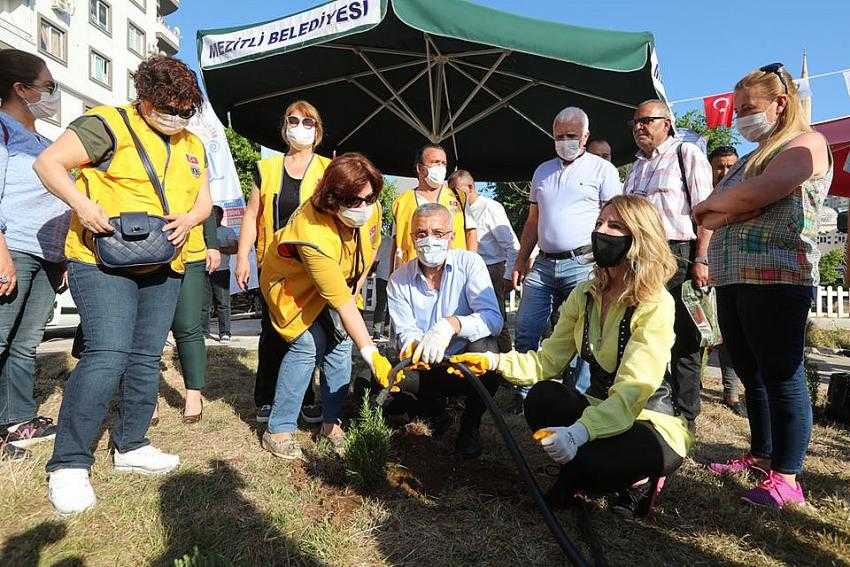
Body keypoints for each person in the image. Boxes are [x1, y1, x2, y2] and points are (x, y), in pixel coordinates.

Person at [35, 55, 211, 515]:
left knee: (146, 355)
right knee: (107, 353)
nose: (177, 117)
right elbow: (49, 164)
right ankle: (69, 463)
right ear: (144, 99)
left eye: (187, 110)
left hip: (164, 262)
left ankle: (132, 445)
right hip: (103, 259)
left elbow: (204, 201)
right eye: (168, 108)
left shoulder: (193, 143)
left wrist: (190, 218)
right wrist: (82, 204)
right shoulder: (105, 124)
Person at [452, 195, 690, 517]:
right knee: (541, 397)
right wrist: (494, 362)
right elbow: (546, 362)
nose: (601, 231)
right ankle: (592, 472)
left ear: (639, 238)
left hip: (649, 421)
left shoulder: (655, 302)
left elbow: (633, 392)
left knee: (592, 464)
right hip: (603, 410)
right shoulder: (585, 294)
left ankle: (640, 480)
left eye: (615, 225)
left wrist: (579, 433)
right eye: (598, 224)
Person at [694, 64, 831, 509]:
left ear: (781, 103)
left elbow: (757, 193)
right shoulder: (752, 155)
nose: (740, 118)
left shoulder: (806, 144)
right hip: (734, 276)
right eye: (737, 110)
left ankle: (788, 477)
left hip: (777, 276)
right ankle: (761, 454)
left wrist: (729, 206)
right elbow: (719, 210)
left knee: (782, 374)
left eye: (749, 108)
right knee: (750, 372)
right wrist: (731, 208)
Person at [259, 153, 394, 459]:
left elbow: (368, 251)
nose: (365, 207)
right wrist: (372, 353)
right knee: (309, 345)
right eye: (354, 202)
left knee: (341, 344)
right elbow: (344, 306)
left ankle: (331, 425)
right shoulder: (313, 233)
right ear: (333, 200)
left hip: (337, 283)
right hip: (291, 286)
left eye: (370, 198)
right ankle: (278, 429)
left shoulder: (370, 207)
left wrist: (357, 284)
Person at [512, 107, 622, 393]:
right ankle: (524, 391)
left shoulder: (603, 170)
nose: (565, 141)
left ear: (585, 136)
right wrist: (521, 260)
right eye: (559, 136)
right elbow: (533, 221)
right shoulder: (542, 171)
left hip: (584, 262)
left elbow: (617, 220)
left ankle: (576, 396)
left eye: (571, 135)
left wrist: (609, 263)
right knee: (525, 327)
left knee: (582, 332)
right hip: (544, 265)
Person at [234, 100, 331, 423]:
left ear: (317, 131)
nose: (299, 126)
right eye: (293, 120)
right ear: (284, 127)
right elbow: (252, 214)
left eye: (308, 121)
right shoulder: (268, 169)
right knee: (272, 331)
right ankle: (266, 396)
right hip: (273, 264)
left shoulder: (327, 169)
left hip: (312, 265)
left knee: (307, 331)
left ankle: (305, 396)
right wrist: (244, 258)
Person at [387, 203, 503, 458]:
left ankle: (470, 426)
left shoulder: (470, 263)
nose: (430, 240)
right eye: (421, 233)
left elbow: (493, 319)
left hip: (464, 363)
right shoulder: (398, 280)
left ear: (451, 236)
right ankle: (434, 413)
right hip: (426, 366)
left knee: (489, 353)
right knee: (394, 379)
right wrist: (418, 347)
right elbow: (405, 332)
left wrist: (452, 325)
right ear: (412, 238)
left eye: (438, 233)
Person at [624, 99, 713, 428]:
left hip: (679, 254)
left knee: (684, 338)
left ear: (667, 123)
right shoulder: (636, 167)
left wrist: (701, 257)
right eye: (635, 122)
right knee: (647, 333)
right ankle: (653, 408)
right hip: (640, 258)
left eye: (647, 121)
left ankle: (685, 418)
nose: (639, 127)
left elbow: (705, 211)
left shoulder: (685, 153)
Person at [0, 50, 70, 460]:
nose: (52, 94)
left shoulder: (44, 141)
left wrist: (59, 255)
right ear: (20, 89)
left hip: (46, 255)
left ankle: (16, 420)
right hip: (15, 249)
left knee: (26, 344)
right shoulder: (4, 130)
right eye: (47, 87)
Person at [448, 169, 518, 352]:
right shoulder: (457, 211)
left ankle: (505, 363)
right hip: (465, 269)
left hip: (492, 270)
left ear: (470, 187)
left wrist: (509, 276)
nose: (453, 196)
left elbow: (511, 245)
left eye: (456, 191)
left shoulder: (490, 208)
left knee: (496, 319)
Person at [168, 212, 220, 425]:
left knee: (188, 326)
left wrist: (213, 244)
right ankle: (146, 397)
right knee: (149, 331)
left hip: (191, 251)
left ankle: (193, 395)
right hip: (145, 249)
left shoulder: (198, 175)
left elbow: (204, 203)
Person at [390, 144, 476, 270]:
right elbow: (396, 243)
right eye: (435, 162)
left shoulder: (458, 197)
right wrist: (392, 275)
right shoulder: (401, 202)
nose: (440, 167)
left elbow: (471, 233)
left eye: (443, 163)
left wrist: (470, 266)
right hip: (412, 273)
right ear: (420, 168)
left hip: (454, 272)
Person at [707, 145, 745, 416]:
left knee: (732, 338)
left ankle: (732, 392)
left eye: (730, 166)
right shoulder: (703, 194)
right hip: (702, 274)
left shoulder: (743, 196)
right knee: (703, 335)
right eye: (719, 166)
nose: (725, 171)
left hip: (733, 275)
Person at [205, 205, 237, 342]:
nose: (212, 218)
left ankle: (225, 332)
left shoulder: (227, 231)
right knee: (204, 304)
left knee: (223, 303)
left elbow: (235, 248)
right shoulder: (203, 231)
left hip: (222, 271)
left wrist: (215, 248)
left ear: (221, 217)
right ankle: (203, 331)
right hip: (205, 271)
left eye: (215, 215)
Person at [371, 235, 393, 339]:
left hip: (384, 276)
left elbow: (376, 258)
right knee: (389, 305)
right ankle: (385, 331)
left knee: (381, 304)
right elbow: (377, 258)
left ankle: (378, 332)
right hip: (390, 277)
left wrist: (372, 270)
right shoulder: (388, 241)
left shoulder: (386, 241)